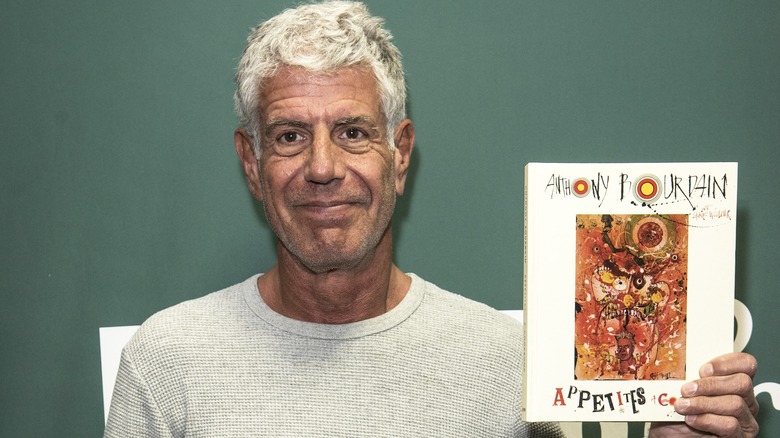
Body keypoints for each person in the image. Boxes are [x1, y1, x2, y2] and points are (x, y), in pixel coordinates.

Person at [104, 2, 760, 437]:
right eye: (289, 137)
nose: (324, 167)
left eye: (354, 132)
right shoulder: (168, 366)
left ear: (402, 153)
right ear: (251, 160)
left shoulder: (510, 368)